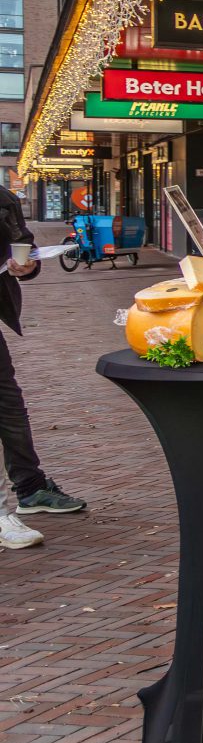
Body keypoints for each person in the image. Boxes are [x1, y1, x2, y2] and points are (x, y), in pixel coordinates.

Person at [0, 190, 83, 552]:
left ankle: (30, 488)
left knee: (9, 407)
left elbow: (25, 251)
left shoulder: (3, 200)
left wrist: (27, 266)